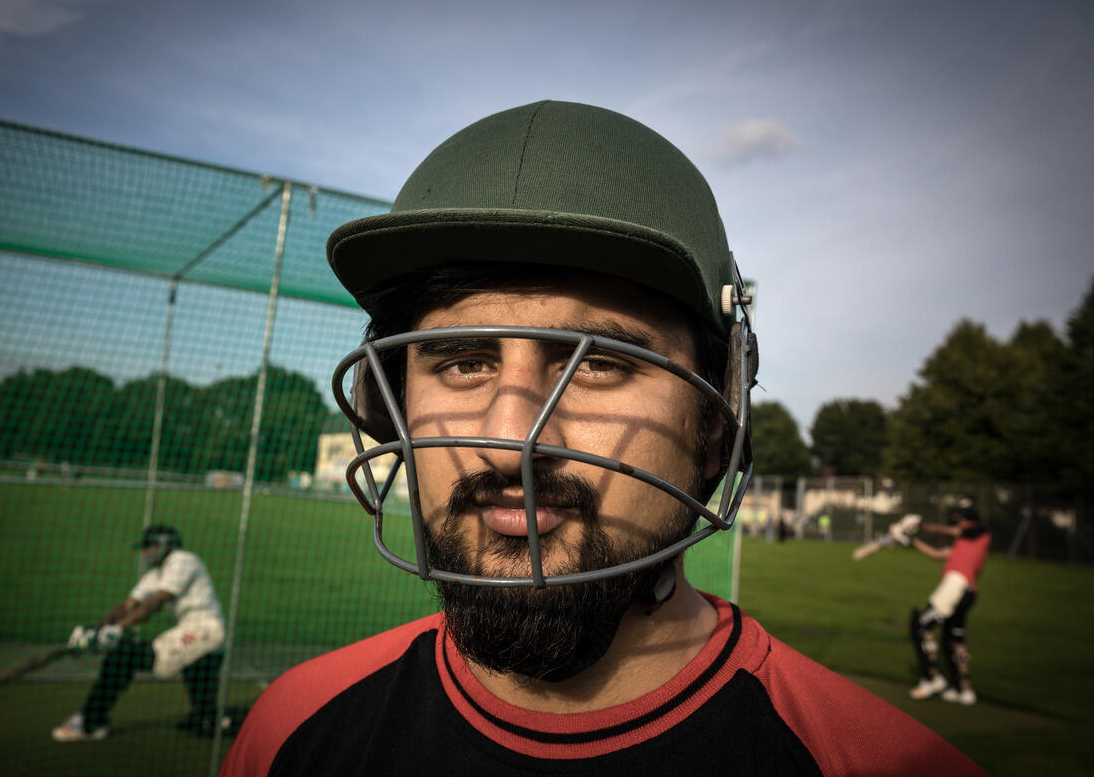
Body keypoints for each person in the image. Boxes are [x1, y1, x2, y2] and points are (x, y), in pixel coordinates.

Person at [223, 100, 984, 775]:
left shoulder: (876, 761)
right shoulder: (291, 731)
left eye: (604, 365)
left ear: (715, 426)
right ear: (387, 407)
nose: (508, 437)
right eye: (461, 362)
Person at [52, 523, 227, 741]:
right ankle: (208, 718)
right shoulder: (155, 574)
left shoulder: (183, 560)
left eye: (148, 547)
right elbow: (128, 606)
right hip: (192, 631)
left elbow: (158, 600)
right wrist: (94, 630)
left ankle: (91, 722)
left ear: (164, 545)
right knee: (205, 713)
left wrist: (119, 628)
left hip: (205, 630)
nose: (144, 553)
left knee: (125, 656)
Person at [908, 505, 992, 705]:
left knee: (922, 625)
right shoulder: (963, 544)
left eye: (960, 520)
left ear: (970, 521)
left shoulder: (980, 533)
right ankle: (964, 690)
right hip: (966, 592)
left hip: (956, 586)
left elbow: (952, 531)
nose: (957, 524)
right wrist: (911, 540)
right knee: (953, 639)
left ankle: (931, 678)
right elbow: (937, 554)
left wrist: (921, 525)